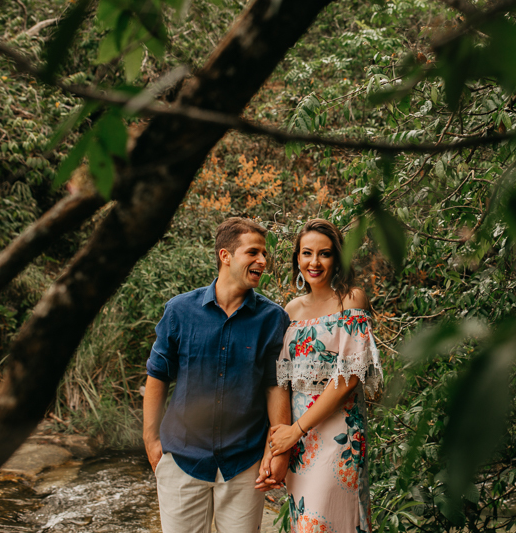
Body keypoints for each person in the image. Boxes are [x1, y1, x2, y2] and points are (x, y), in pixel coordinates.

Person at [143, 217, 291, 533]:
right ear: (225, 256)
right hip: (181, 459)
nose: (263, 261)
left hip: (244, 463)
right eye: (253, 252)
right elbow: (157, 375)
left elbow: (276, 385)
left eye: (264, 254)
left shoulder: (273, 318)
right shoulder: (179, 311)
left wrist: (278, 451)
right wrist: (151, 440)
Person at [268, 218, 384, 533]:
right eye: (307, 253)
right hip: (299, 441)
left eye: (325, 254)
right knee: (304, 522)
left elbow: (348, 379)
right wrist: (281, 443)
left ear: (337, 259)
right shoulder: (290, 311)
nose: (314, 262)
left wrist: (296, 430)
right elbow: (282, 383)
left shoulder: (351, 300)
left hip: (338, 433)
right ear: (297, 259)